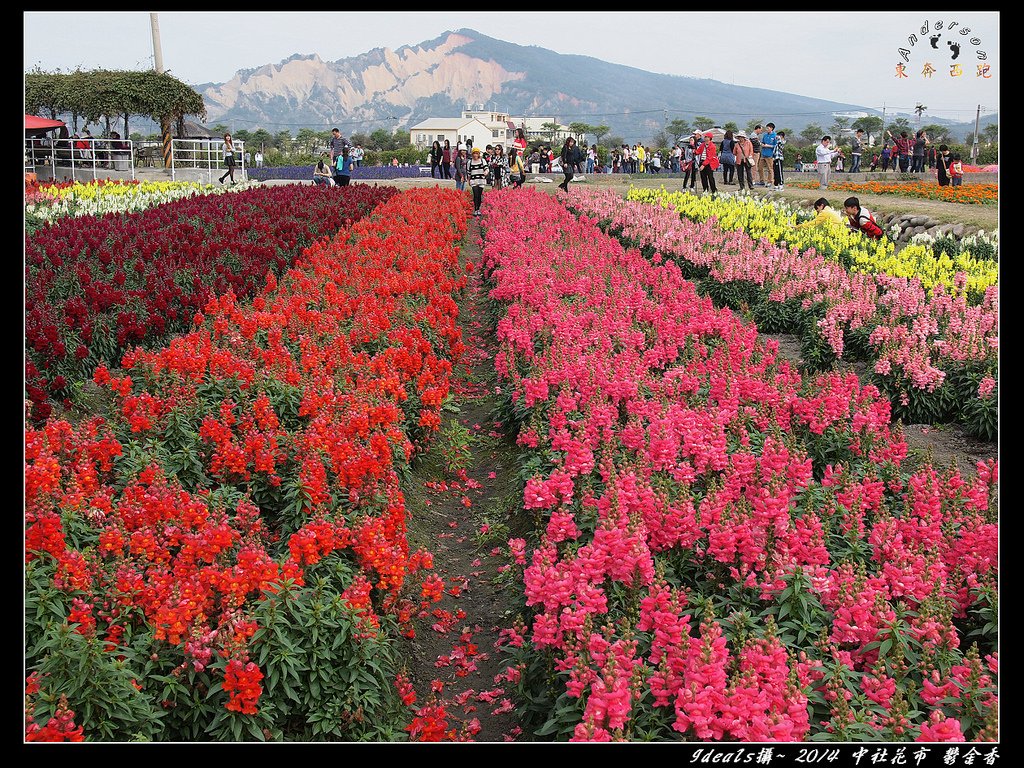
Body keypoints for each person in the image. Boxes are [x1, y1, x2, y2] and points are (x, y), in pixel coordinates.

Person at [467, 146, 488, 216]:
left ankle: (478, 209)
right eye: (474, 153)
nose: (475, 155)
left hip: (481, 180)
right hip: (474, 180)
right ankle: (476, 209)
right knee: (475, 194)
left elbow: (486, 168)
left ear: (479, 154)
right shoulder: (470, 162)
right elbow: (469, 172)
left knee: (479, 195)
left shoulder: (482, 161)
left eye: (477, 153)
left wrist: (485, 172)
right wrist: (469, 180)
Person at [759, 122, 778, 189]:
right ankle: (762, 181)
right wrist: (762, 144)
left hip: (770, 155)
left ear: (771, 128)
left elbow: (776, 146)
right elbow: (763, 142)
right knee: (760, 168)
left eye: (768, 128)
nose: (767, 129)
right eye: (766, 128)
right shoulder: (765, 135)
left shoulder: (775, 136)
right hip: (763, 154)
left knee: (770, 169)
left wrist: (769, 146)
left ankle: (770, 181)